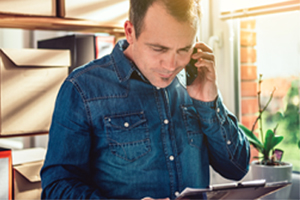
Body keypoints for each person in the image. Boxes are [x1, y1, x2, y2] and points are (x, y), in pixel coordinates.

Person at [40, 0, 250, 199]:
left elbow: (237, 168)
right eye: (159, 49)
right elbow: (56, 188)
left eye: (184, 49)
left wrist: (209, 104)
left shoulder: (197, 79)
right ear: (130, 32)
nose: (171, 64)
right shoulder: (82, 88)